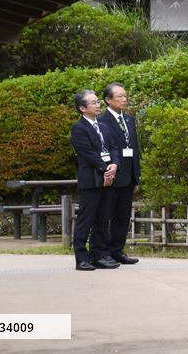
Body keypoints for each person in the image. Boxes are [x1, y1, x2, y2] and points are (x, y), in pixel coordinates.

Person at [70, 89, 120, 271]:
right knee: (86, 219)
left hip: (108, 177)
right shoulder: (79, 128)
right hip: (91, 180)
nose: (98, 105)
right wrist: (105, 168)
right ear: (83, 108)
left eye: (98, 101)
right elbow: (87, 154)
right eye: (93, 102)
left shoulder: (104, 126)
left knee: (103, 218)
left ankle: (99, 254)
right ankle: (82, 257)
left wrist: (114, 165)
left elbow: (113, 148)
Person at [100, 82, 141, 265]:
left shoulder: (129, 119)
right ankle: (104, 251)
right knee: (106, 215)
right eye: (120, 96)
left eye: (125, 96)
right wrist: (107, 171)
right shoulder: (102, 121)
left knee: (123, 216)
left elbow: (135, 148)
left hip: (128, 174)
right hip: (112, 174)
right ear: (108, 100)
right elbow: (103, 149)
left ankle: (118, 250)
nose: (124, 99)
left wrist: (136, 175)